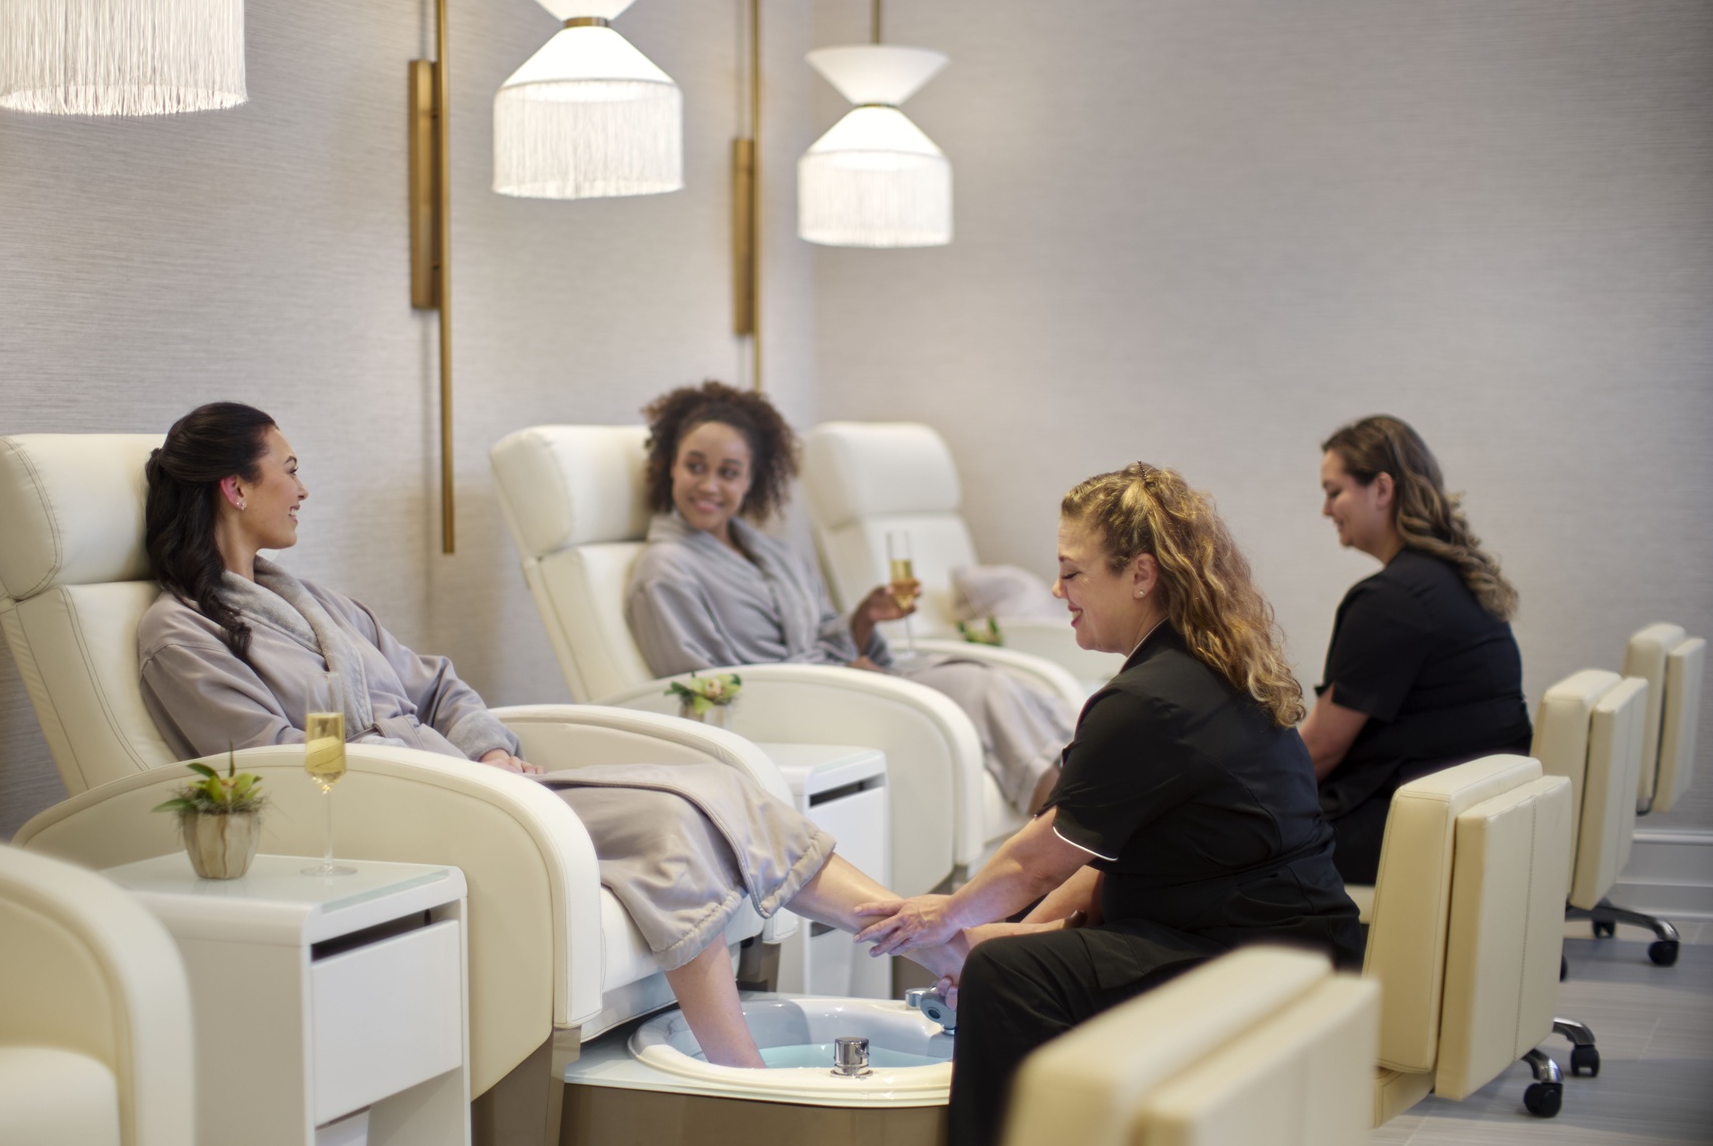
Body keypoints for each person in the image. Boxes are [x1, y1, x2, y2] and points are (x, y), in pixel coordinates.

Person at [136, 402, 967, 1067]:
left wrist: (491, 750)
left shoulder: (316, 600)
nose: (303, 489)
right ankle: (742, 1072)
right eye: (289, 470)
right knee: (672, 821)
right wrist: (449, 772)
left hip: (470, 779)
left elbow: (436, 683)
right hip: (394, 810)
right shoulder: (181, 636)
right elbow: (279, 760)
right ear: (234, 490)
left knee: (722, 785)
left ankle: (930, 941)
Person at [853, 463, 1363, 1146]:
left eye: (1072, 573)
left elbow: (1040, 862)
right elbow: (1101, 855)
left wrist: (944, 915)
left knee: (1008, 977)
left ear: (1141, 575)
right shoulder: (1201, 665)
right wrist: (977, 936)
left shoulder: (1147, 701)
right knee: (1007, 958)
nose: (1058, 591)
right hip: (1287, 944)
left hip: (1255, 961)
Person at [624, 382, 1076, 814]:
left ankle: (1095, 827)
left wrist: (862, 621)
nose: (708, 485)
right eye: (695, 466)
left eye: (728, 472)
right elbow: (701, 688)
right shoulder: (665, 571)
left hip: (833, 685)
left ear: (750, 481)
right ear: (670, 466)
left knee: (1004, 682)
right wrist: (839, 681)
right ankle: (1065, 855)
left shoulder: (774, 554)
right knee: (980, 689)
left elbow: (821, 634)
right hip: (792, 712)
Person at [1299, 415, 1534, 884]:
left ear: (1381, 489)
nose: (1326, 510)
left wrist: (1239, 788)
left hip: (1409, 826)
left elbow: (1323, 748)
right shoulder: (1457, 578)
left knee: (1232, 842)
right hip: (1480, 810)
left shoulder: (1390, 600)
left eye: (1334, 491)